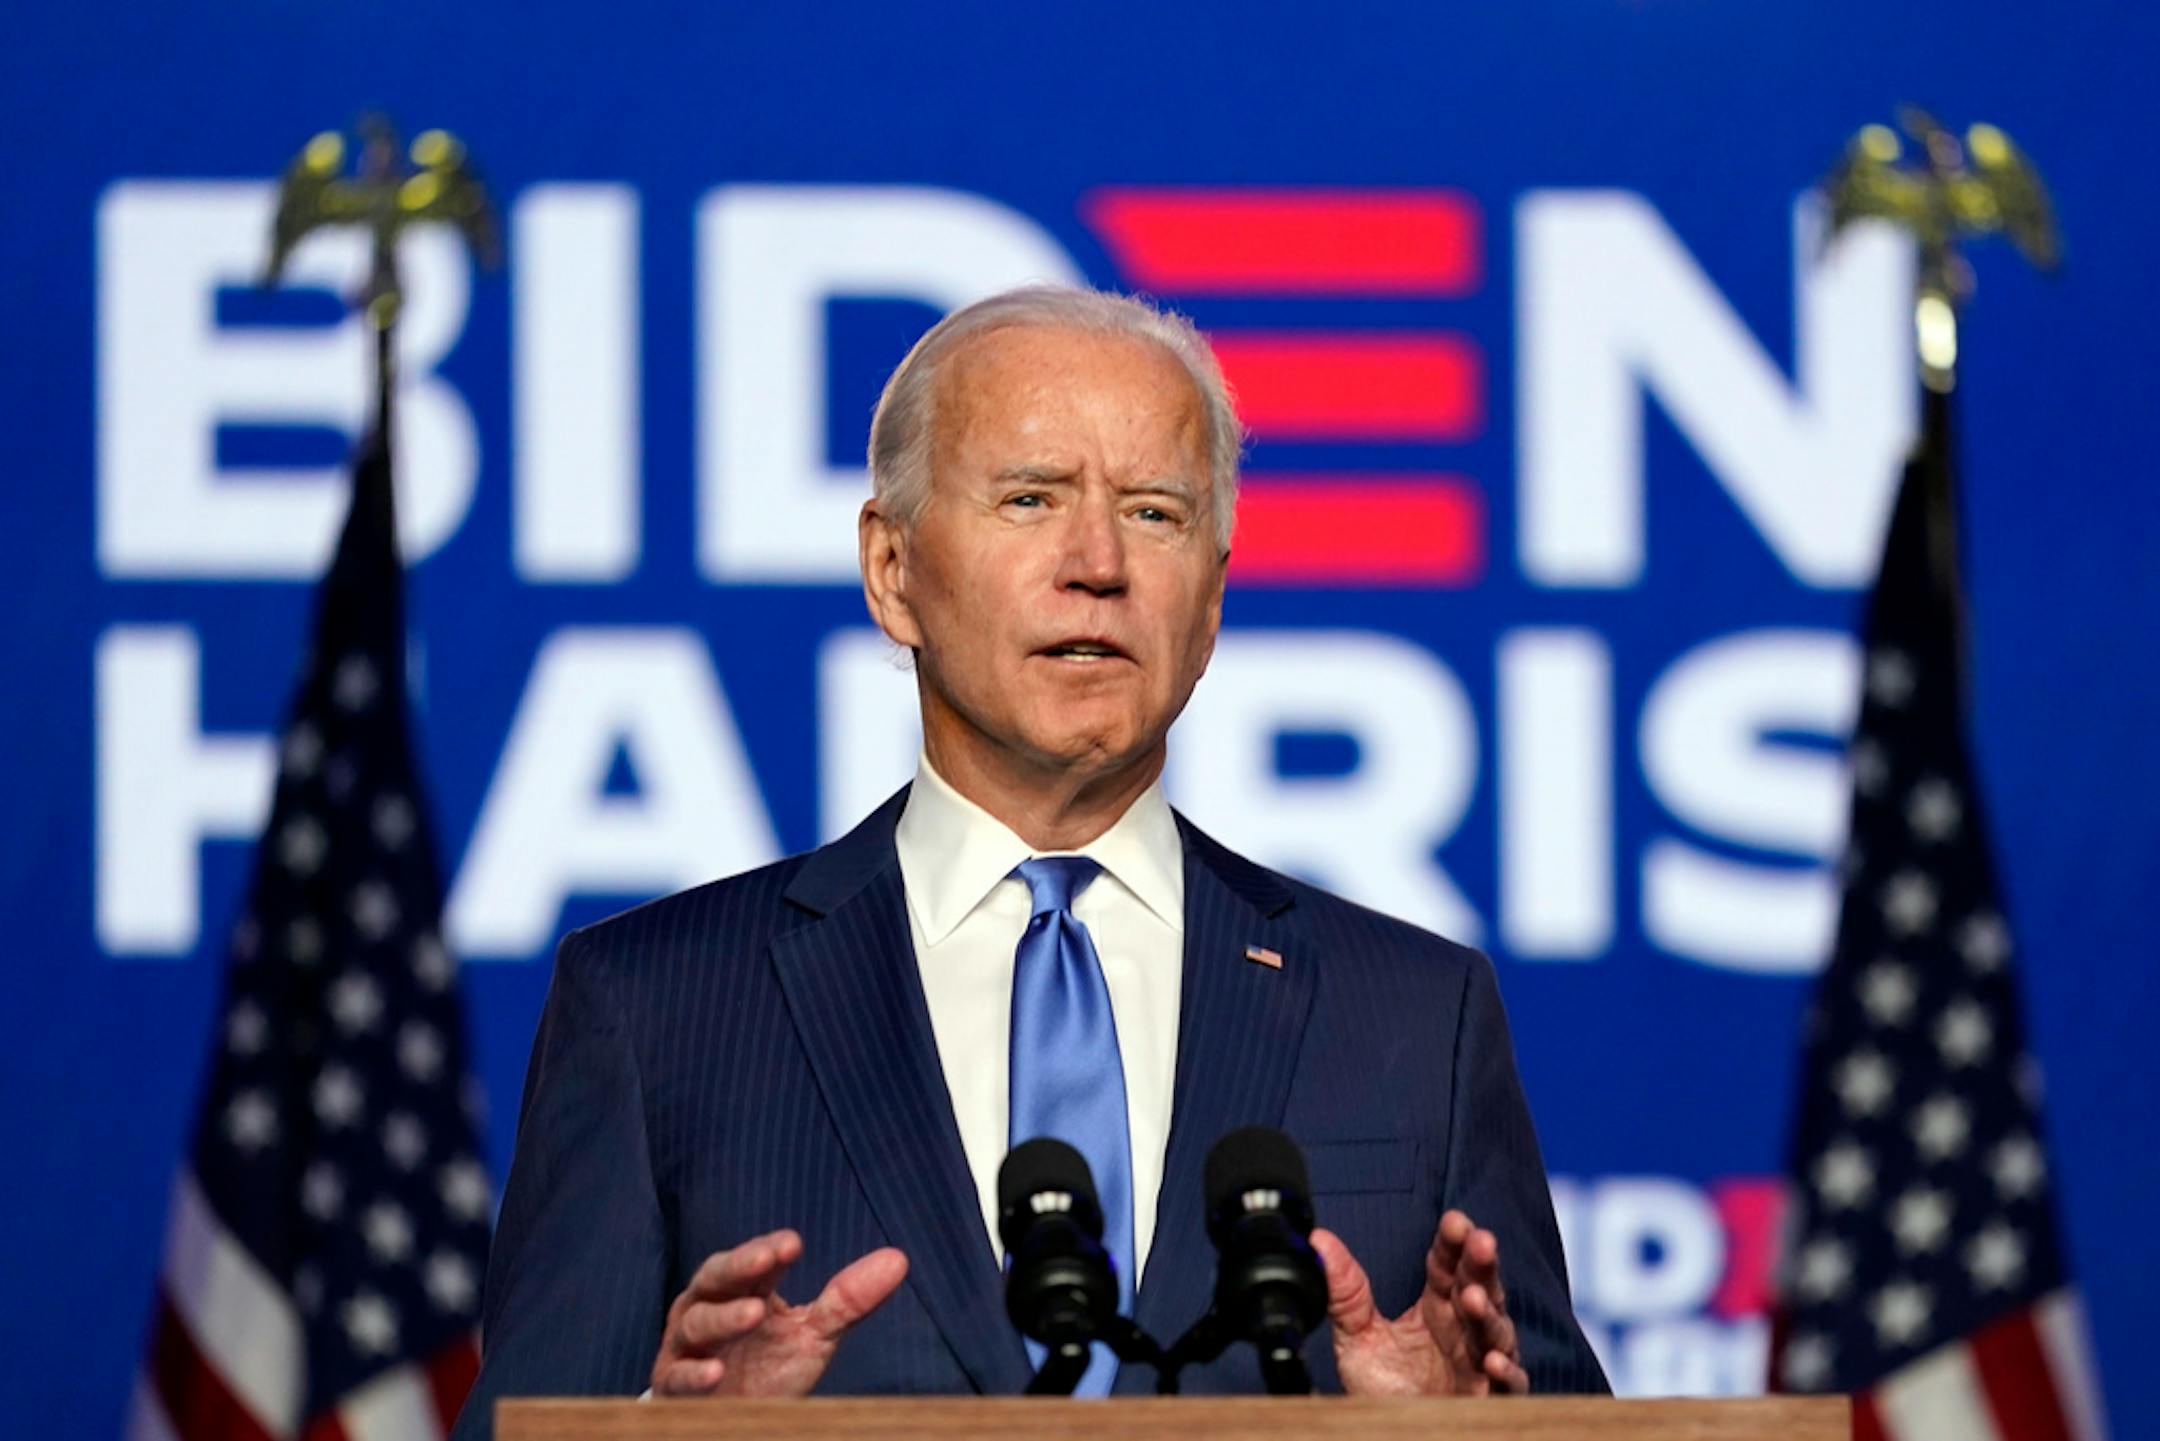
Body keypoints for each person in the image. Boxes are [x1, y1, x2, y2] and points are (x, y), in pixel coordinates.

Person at [451, 285, 1606, 1438]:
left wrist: (1476, 1438)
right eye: (1030, 498)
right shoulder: (659, 1007)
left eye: (1156, 514)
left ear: (1210, 602)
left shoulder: (1414, 1013)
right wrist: (666, 1431)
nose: (1097, 561)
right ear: (893, 570)